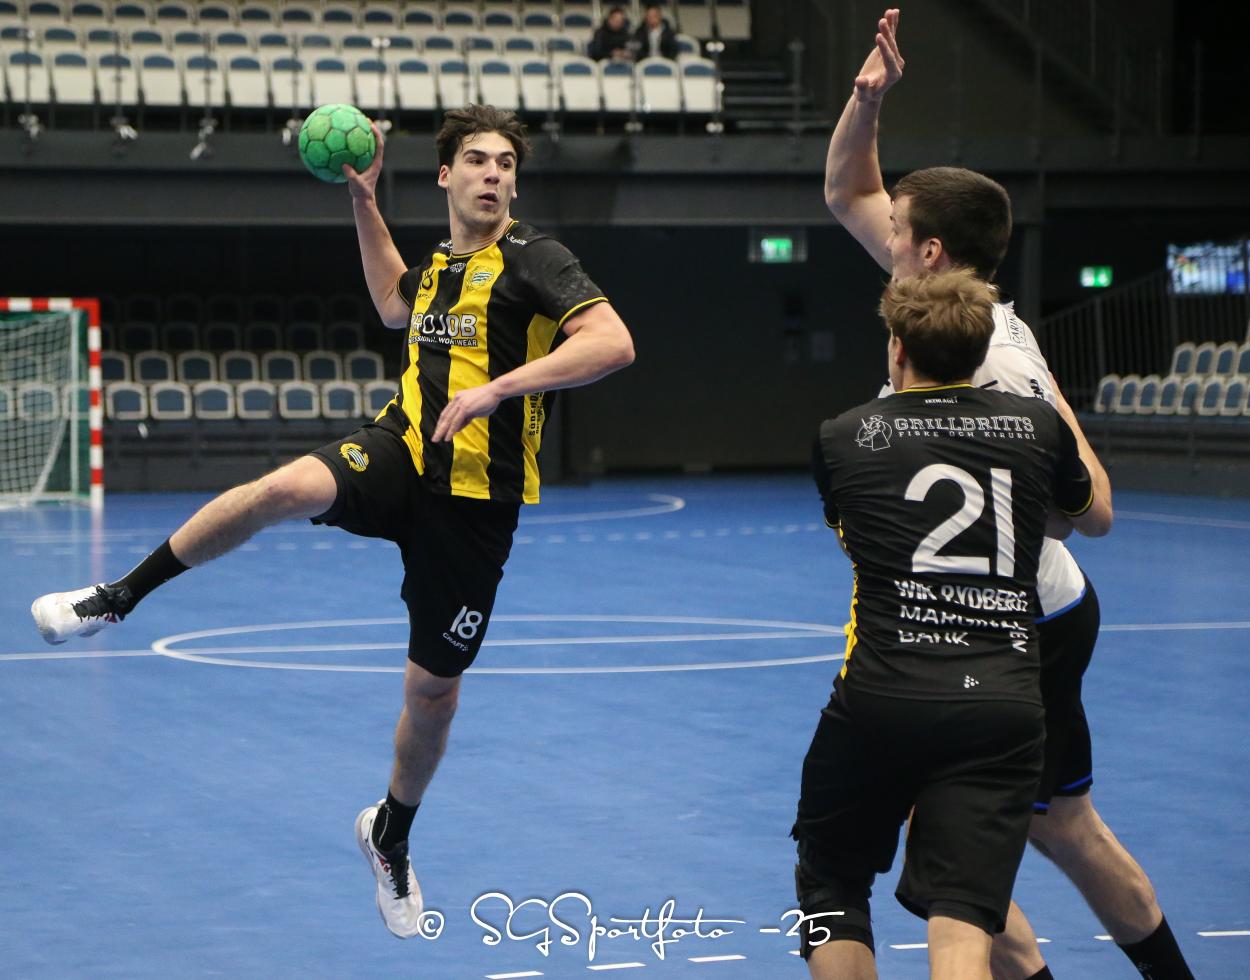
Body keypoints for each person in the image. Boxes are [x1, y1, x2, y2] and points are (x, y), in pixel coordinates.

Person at [30, 105, 635, 939]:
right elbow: (391, 302)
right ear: (447, 176)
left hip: (477, 505)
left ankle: (390, 833)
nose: (493, 174)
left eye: (505, 164)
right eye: (477, 160)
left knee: (433, 695)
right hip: (401, 453)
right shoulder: (440, 267)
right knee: (282, 489)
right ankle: (116, 597)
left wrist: (499, 388)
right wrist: (363, 198)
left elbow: (612, 343)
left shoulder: (537, 258)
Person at [822, 9, 1195, 979]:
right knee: (1062, 828)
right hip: (1028, 612)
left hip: (1002, 623)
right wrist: (867, 100)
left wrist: (1018, 479)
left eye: (897, 225)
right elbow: (845, 187)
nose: (882, 226)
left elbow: (1092, 508)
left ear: (929, 252)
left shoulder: (993, 364)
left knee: (944, 846)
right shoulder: (958, 311)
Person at [794, 268, 1113, 980]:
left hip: (882, 696)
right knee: (964, 917)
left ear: (898, 348)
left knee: (831, 877)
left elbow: (853, 540)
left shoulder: (843, 436)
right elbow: (1079, 513)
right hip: (1001, 704)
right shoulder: (1037, 427)